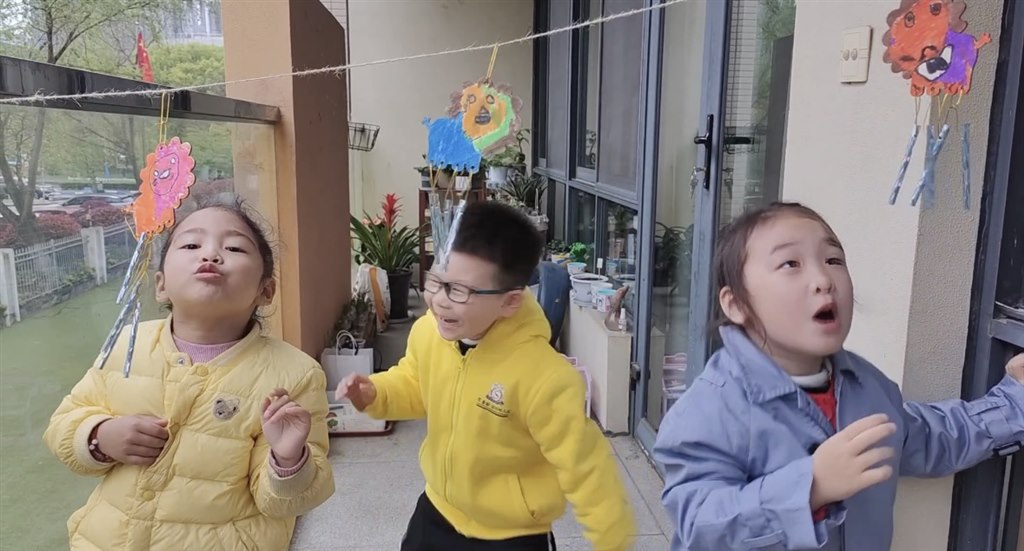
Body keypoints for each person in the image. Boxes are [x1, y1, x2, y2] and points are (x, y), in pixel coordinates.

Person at [653, 202, 1024, 551]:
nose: (822, 279)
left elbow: (927, 437)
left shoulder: (867, 385)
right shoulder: (712, 407)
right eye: (790, 263)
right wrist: (810, 486)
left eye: (833, 260)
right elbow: (700, 526)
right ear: (735, 304)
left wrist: (1013, 401)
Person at [337, 201, 636, 550]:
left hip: (512, 533)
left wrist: (612, 542)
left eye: (459, 290)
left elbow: (587, 470)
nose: (440, 301)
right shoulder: (428, 333)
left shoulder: (544, 378)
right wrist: (376, 393)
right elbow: (415, 383)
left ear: (510, 302)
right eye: (437, 281)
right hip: (438, 509)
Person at [44, 198, 335, 550]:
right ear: (161, 285)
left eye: (234, 248)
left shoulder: (295, 374)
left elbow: (286, 502)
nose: (210, 254)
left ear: (265, 291)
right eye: (191, 245)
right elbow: (64, 423)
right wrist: (101, 437)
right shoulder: (127, 346)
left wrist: (289, 459)